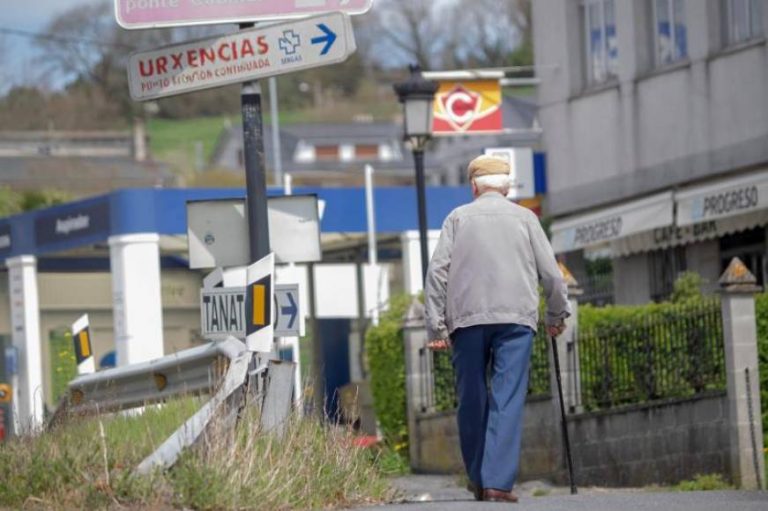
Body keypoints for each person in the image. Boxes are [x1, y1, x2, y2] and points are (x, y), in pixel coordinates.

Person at [424, 155, 570, 503]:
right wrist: (556, 314)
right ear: (507, 188)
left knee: (471, 398)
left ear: (474, 186)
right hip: (516, 320)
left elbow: (437, 272)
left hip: (467, 320)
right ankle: (497, 483)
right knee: (507, 397)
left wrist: (436, 327)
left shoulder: (457, 218)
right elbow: (551, 272)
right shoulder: (526, 219)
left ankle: (478, 478)